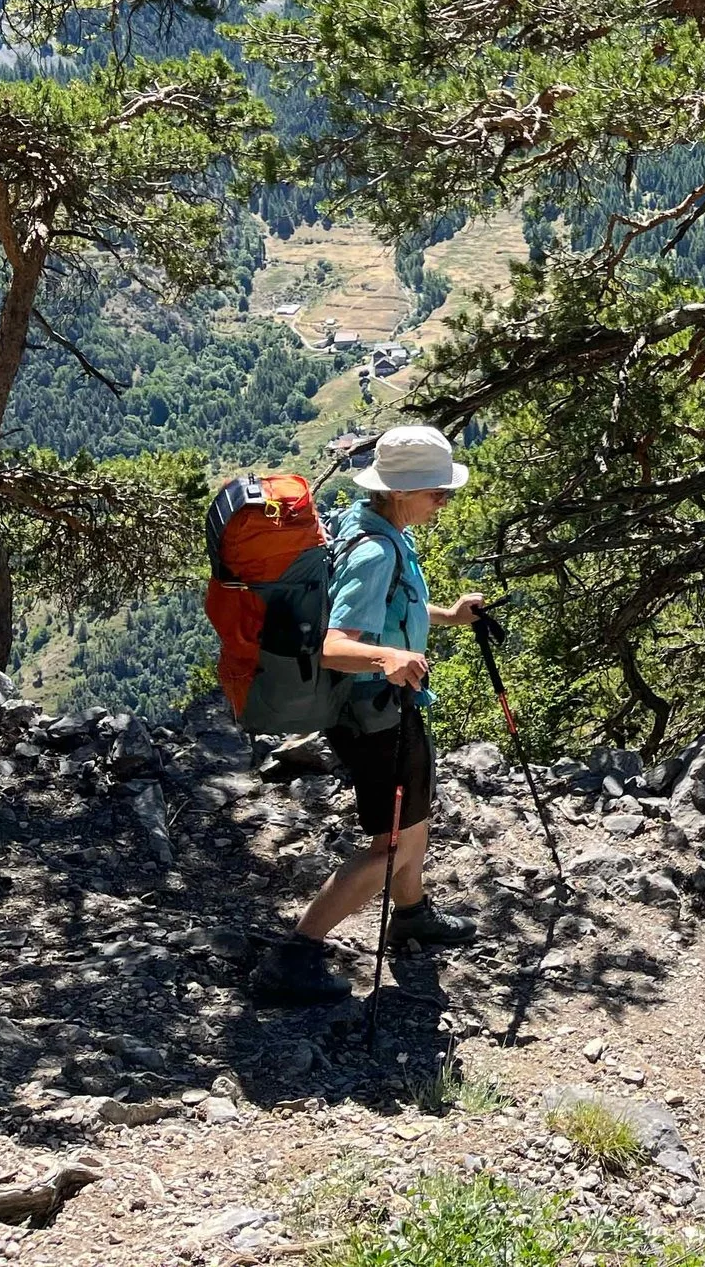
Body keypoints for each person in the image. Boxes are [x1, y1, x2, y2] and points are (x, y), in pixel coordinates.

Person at [251, 424, 487, 1006]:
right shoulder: (377, 550)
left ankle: (411, 914)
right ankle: (295, 954)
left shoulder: (369, 525)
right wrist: (387, 657)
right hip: (374, 714)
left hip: (384, 707)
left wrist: (449, 617)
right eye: (436, 490)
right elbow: (333, 643)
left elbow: (389, 609)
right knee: (394, 846)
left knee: (415, 825)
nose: (444, 499)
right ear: (401, 491)